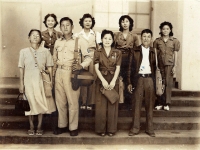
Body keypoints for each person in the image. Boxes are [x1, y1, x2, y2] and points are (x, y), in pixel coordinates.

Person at [52, 17, 92, 136]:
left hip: (72, 74)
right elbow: (54, 58)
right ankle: (62, 125)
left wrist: (81, 65)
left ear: (72, 27)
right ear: (60, 27)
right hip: (59, 72)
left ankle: (73, 127)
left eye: (67, 25)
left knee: (73, 102)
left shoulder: (79, 41)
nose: (65, 27)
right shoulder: (58, 41)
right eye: (62, 25)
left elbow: (89, 57)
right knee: (60, 101)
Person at [18, 29, 56, 136]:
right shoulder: (23, 52)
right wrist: (21, 83)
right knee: (30, 102)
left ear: (40, 38)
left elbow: (49, 67)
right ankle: (31, 126)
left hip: (41, 80)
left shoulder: (45, 51)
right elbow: (21, 68)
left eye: (37, 35)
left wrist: (51, 82)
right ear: (29, 38)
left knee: (41, 101)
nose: (35, 37)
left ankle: (39, 126)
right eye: (33, 35)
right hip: (28, 80)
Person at [127, 29, 163, 137]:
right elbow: (129, 68)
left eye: (148, 36)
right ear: (140, 38)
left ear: (151, 38)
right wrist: (129, 82)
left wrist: (162, 82)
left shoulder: (155, 51)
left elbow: (160, 68)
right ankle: (135, 128)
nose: (146, 38)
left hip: (150, 79)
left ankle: (149, 128)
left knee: (150, 104)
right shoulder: (134, 50)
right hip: (138, 79)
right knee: (137, 104)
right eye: (144, 36)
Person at [94, 29, 122, 137]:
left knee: (112, 103)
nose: (107, 40)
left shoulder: (117, 52)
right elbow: (96, 68)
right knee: (101, 105)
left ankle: (111, 129)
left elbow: (118, 68)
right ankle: (101, 129)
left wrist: (114, 81)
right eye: (105, 38)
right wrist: (103, 80)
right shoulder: (97, 52)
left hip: (113, 78)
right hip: (101, 79)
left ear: (113, 40)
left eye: (109, 38)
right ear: (101, 39)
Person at [75, 13, 101, 110]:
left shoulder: (96, 34)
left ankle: (90, 103)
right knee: (82, 79)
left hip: (93, 59)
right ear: (82, 22)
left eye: (89, 21)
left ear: (92, 22)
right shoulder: (77, 35)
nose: (87, 23)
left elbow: (99, 48)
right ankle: (83, 101)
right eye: (86, 21)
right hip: (82, 59)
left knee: (92, 79)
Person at [114, 15, 140, 110]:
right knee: (119, 78)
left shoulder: (134, 36)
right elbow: (112, 48)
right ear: (120, 23)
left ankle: (129, 103)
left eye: (127, 21)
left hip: (130, 60)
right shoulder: (116, 35)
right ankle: (119, 101)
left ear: (130, 23)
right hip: (118, 58)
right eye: (123, 21)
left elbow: (137, 50)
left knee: (129, 79)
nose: (125, 23)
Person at [154, 21, 180, 111]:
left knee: (168, 84)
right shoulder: (157, 41)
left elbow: (175, 54)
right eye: (163, 29)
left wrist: (175, 66)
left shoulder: (174, 41)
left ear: (170, 30)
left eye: (167, 29)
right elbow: (155, 54)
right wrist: (156, 65)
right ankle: (160, 102)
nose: (165, 30)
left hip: (169, 65)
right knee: (160, 83)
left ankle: (166, 103)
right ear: (161, 30)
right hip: (160, 65)